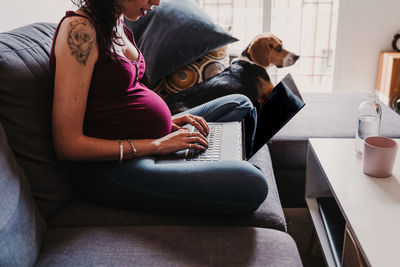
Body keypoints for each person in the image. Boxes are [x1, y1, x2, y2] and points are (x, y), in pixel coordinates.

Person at [50, 0, 268, 215]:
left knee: (241, 104)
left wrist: (167, 122)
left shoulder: (117, 21)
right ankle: (226, 169)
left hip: (143, 142)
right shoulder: (80, 31)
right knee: (253, 184)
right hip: (109, 168)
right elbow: (67, 144)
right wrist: (155, 145)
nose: (156, 1)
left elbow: (117, 99)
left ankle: (219, 162)